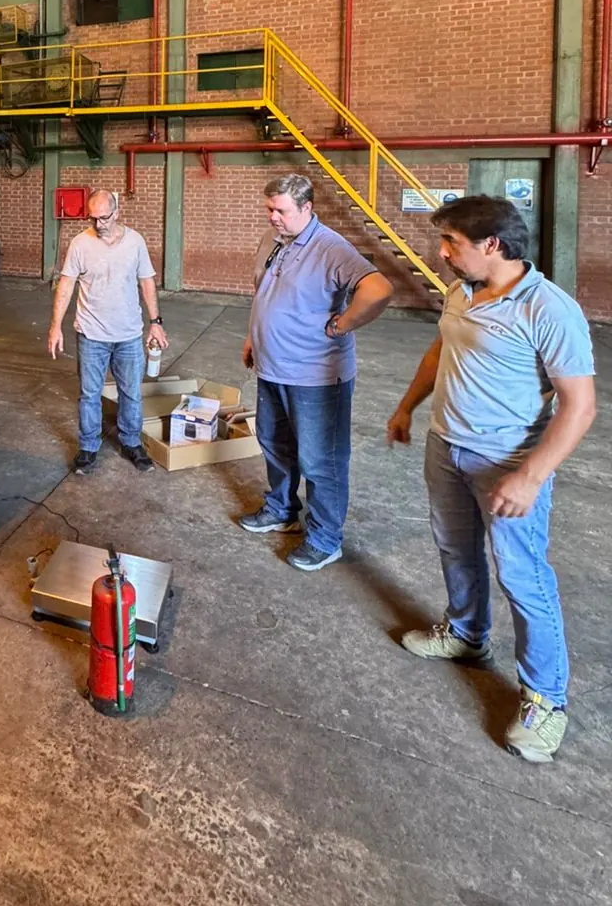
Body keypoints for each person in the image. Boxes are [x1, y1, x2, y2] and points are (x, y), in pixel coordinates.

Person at [387, 194, 596, 764]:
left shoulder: (548, 310)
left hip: (505, 462)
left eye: (451, 242)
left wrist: (530, 477)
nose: (442, 252)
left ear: (492, 245)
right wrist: (406, 407)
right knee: (455, 550)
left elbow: (579, 406)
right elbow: (440, 352)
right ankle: (465, 633)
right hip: (446, 448)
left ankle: (546, 700)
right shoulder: (462, 289)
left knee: (524, 578)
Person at [240, 173, 393, 570]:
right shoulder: (273, 239)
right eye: (269, 208)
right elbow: (263, 293)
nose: (273, 216)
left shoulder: (331, 247)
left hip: (315, 376)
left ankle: (325, 539)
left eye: (281, 210)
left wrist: (343, 324)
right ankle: (282, 510)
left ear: (307, 207)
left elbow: (378, 289)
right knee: (274, 443)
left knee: (321, 460)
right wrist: (253, 336)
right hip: (272, 367)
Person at [47, 189, 168, 473]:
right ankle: (88, 447)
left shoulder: (135, 242)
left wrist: (156, 321)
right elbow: (66, 284)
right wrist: (55, 326)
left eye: (104, 217)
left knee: (131, 393)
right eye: (93, 218)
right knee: (89, 394)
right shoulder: (80, 243)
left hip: (128, 334)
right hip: (91, 334)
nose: (99, 224)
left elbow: (147, 282)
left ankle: (131, 442)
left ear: (117, 213)